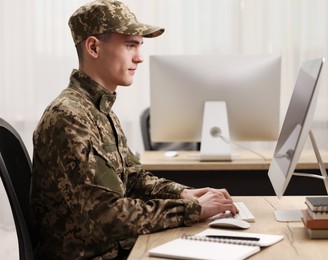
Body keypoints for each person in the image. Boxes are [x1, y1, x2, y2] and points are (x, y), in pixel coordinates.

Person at [30, 0, 238, 259]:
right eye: (130, 45)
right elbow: (107, 216)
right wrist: (191, 210)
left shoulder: (99, 110)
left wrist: (183, 193)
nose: (139, 57)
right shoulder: (70, 116)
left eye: (140, 46)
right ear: (93, 47)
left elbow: (133, 178)